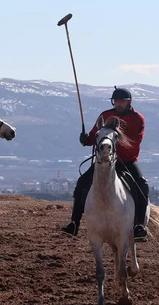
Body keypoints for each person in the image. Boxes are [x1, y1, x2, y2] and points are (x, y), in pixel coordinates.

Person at [62, 87, 150, 241]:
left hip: (126, 162)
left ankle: (139, 226)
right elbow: (93, 137)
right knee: (82, 183)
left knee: (142, 185)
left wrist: (112, 142)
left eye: (122, 101)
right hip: (103, 161)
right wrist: (86, 140)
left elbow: (135, 141)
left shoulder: (137, 118)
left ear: (129, 102)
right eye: (116, 101)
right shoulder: (105, 115)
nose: (119, 104)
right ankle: (74, 223)